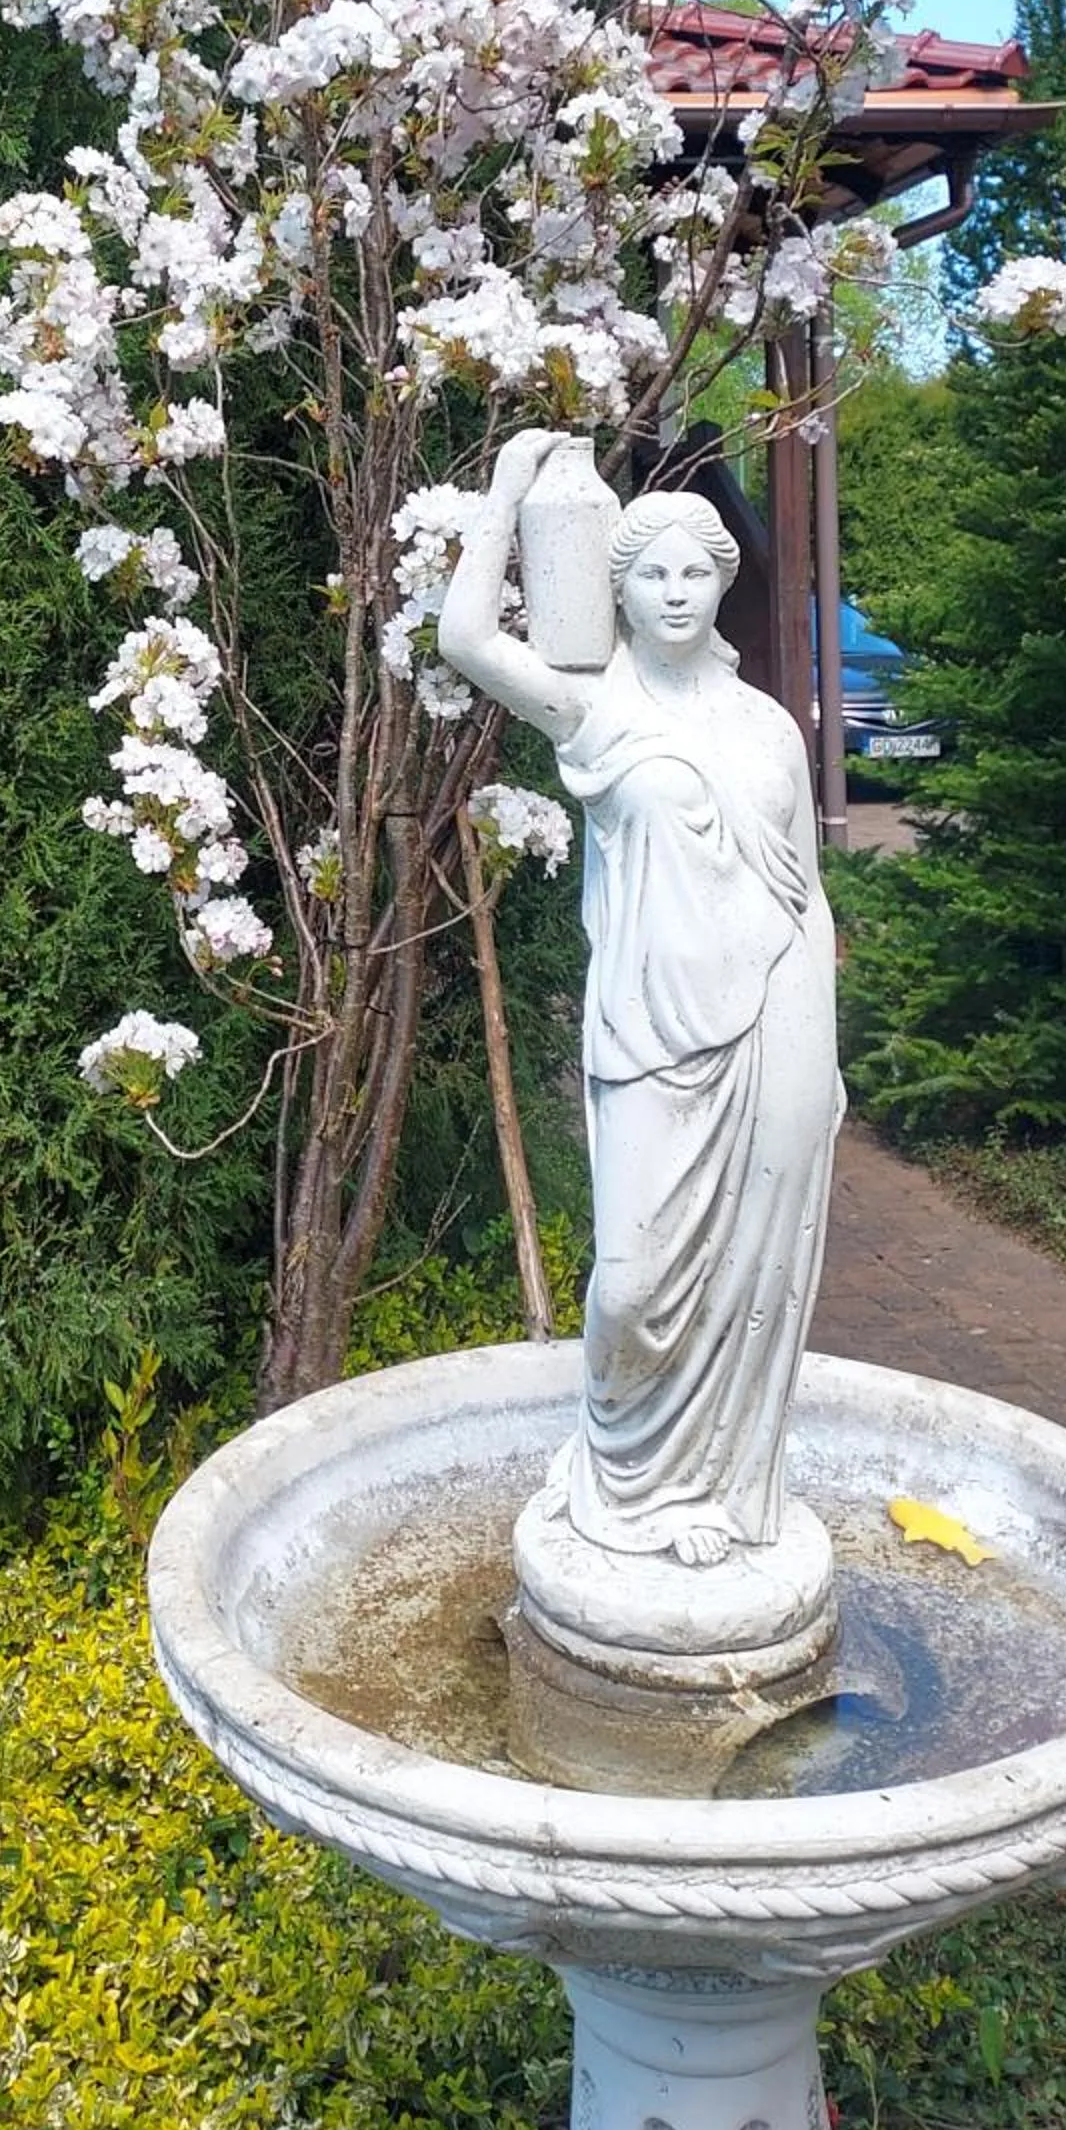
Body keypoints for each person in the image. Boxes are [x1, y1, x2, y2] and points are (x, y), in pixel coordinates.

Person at [437, 430, 841, 1571]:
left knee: (747, 1269)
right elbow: (463, 639)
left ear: (723, 583)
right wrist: (508, 488)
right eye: (648, 574)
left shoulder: (767, 731)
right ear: (617, 590)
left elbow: (803, 900)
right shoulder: (593, 703)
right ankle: (619, 1480)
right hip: (648, 1036)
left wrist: (825, 1060)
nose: (672, 592)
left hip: (775, 1023)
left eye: (692, 572)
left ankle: (711, 1488)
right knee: (631, 1287)